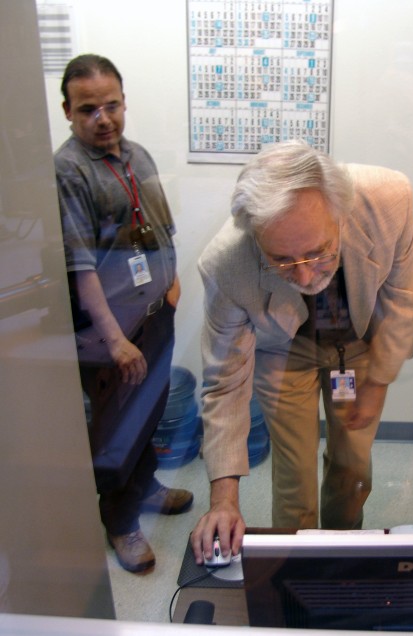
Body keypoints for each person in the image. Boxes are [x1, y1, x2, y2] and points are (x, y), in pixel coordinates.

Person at [191, 140, 413, 563]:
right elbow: (224, 383)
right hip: (284, 350)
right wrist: (224, 499)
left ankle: (342, 550)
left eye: (318, 252)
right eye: (281, 259)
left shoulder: (388, 200)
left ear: (340, 215)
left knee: (352, 465)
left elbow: (403, 299)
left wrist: (378, 382)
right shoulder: (227, 264)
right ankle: (297, 562)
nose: (304, 274)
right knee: (293, 475)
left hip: (355, 343)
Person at [55, 54, 194, 573]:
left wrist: (171, 286)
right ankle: (121, 522)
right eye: (88, 108)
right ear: (68, 110)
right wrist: (116, 340)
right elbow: (80, 267)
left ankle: (147, 487)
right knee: (117, 430)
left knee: (151, 412)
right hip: (113, 332)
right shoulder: (68, 170)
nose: (103, 118)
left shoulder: (136, 154)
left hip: (156, 313)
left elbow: (161, 226)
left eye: (111, 105)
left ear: (124, 102)